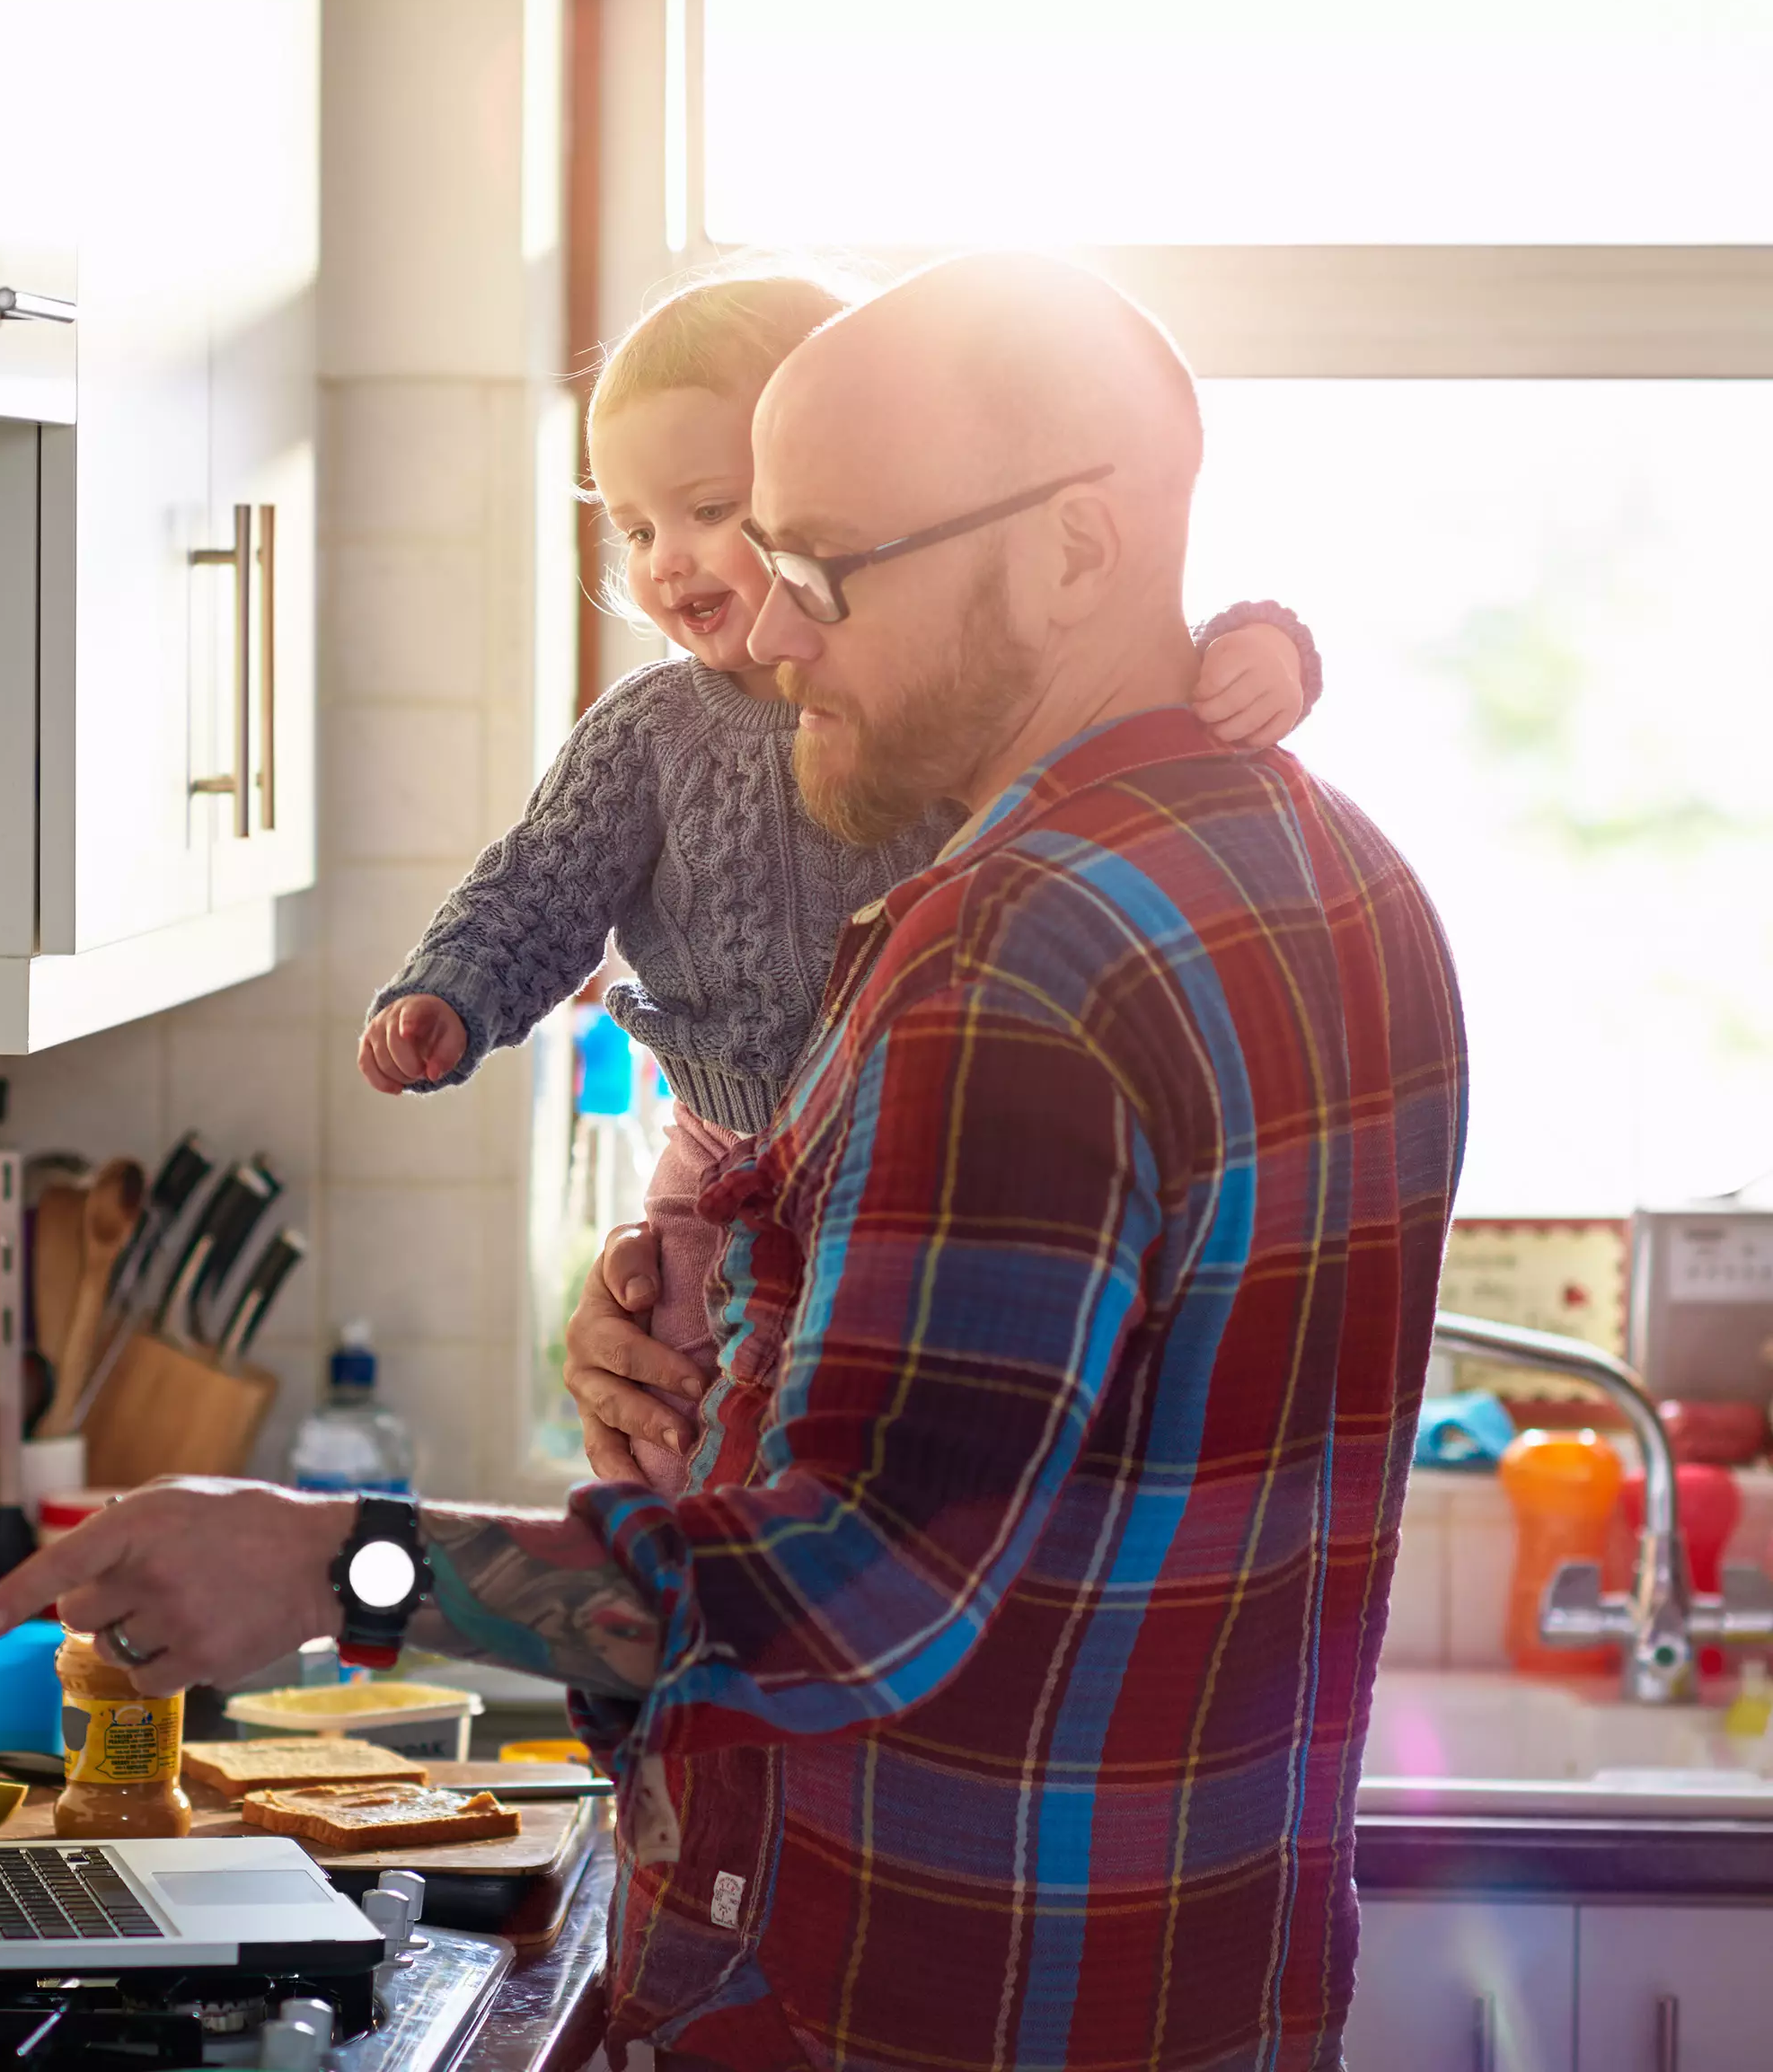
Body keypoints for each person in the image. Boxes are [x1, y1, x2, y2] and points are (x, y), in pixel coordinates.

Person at [0, 251, 1466, 2071]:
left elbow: (853, 1587)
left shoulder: (1010, 953)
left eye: (825, 566)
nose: (764, 631)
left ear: (1074, 548)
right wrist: (727, 1314)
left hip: (895, 2012)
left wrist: (330, 1565)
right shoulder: (1349, 881)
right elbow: (1062, 1422)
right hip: (1195, 1996)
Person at [355, 267, 1321, 1494]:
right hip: (724, 1146)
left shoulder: (942, 708)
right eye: (639, 529)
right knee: (676, 1438)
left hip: (895, 1141)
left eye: (719, 510)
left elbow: (1124, 672)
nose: (670, 563)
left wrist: (1258, 649)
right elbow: (537, 889)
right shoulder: (652, 732)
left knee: (803, 1472)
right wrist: (452, 993)